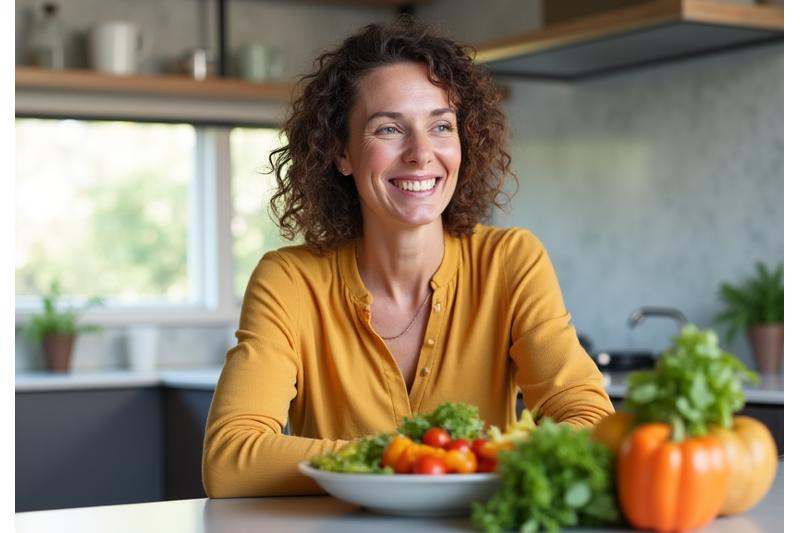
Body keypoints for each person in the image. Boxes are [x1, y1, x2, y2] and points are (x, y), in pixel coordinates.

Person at [202, 17, 613, 498]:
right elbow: (229, 460)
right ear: (342, 153)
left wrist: (395, 461)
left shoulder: (510, 261)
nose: (421, 153)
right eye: (389, 128)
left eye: (441, 126)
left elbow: (589, 421)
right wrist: (419, 458)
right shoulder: (290, 280)